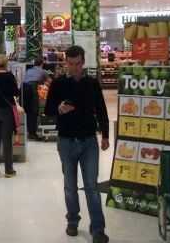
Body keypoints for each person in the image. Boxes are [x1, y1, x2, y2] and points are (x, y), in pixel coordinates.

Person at [44, 45, 110, 243]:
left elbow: (101, 109)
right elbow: (48, 110)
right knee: (70, 186)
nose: (74, 68)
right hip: (66, 142)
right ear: (66, 63)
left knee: (91, 187)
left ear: (83, 62)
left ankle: (97, 229)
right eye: (71, 64)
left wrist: (105, 135)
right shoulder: (57, 84)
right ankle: (72, 220)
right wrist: (59, 108)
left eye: (78, 64)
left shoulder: (91, 83)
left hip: (89, 141)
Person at [23, 57, 49, 141]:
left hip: (24, 89)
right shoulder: (43, 71)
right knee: (34, 111)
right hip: (32, 88)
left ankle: (28, 131)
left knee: (27, 110)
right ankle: (32, 133)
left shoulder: (29, 70)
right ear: (42, 64)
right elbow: (50, 82)